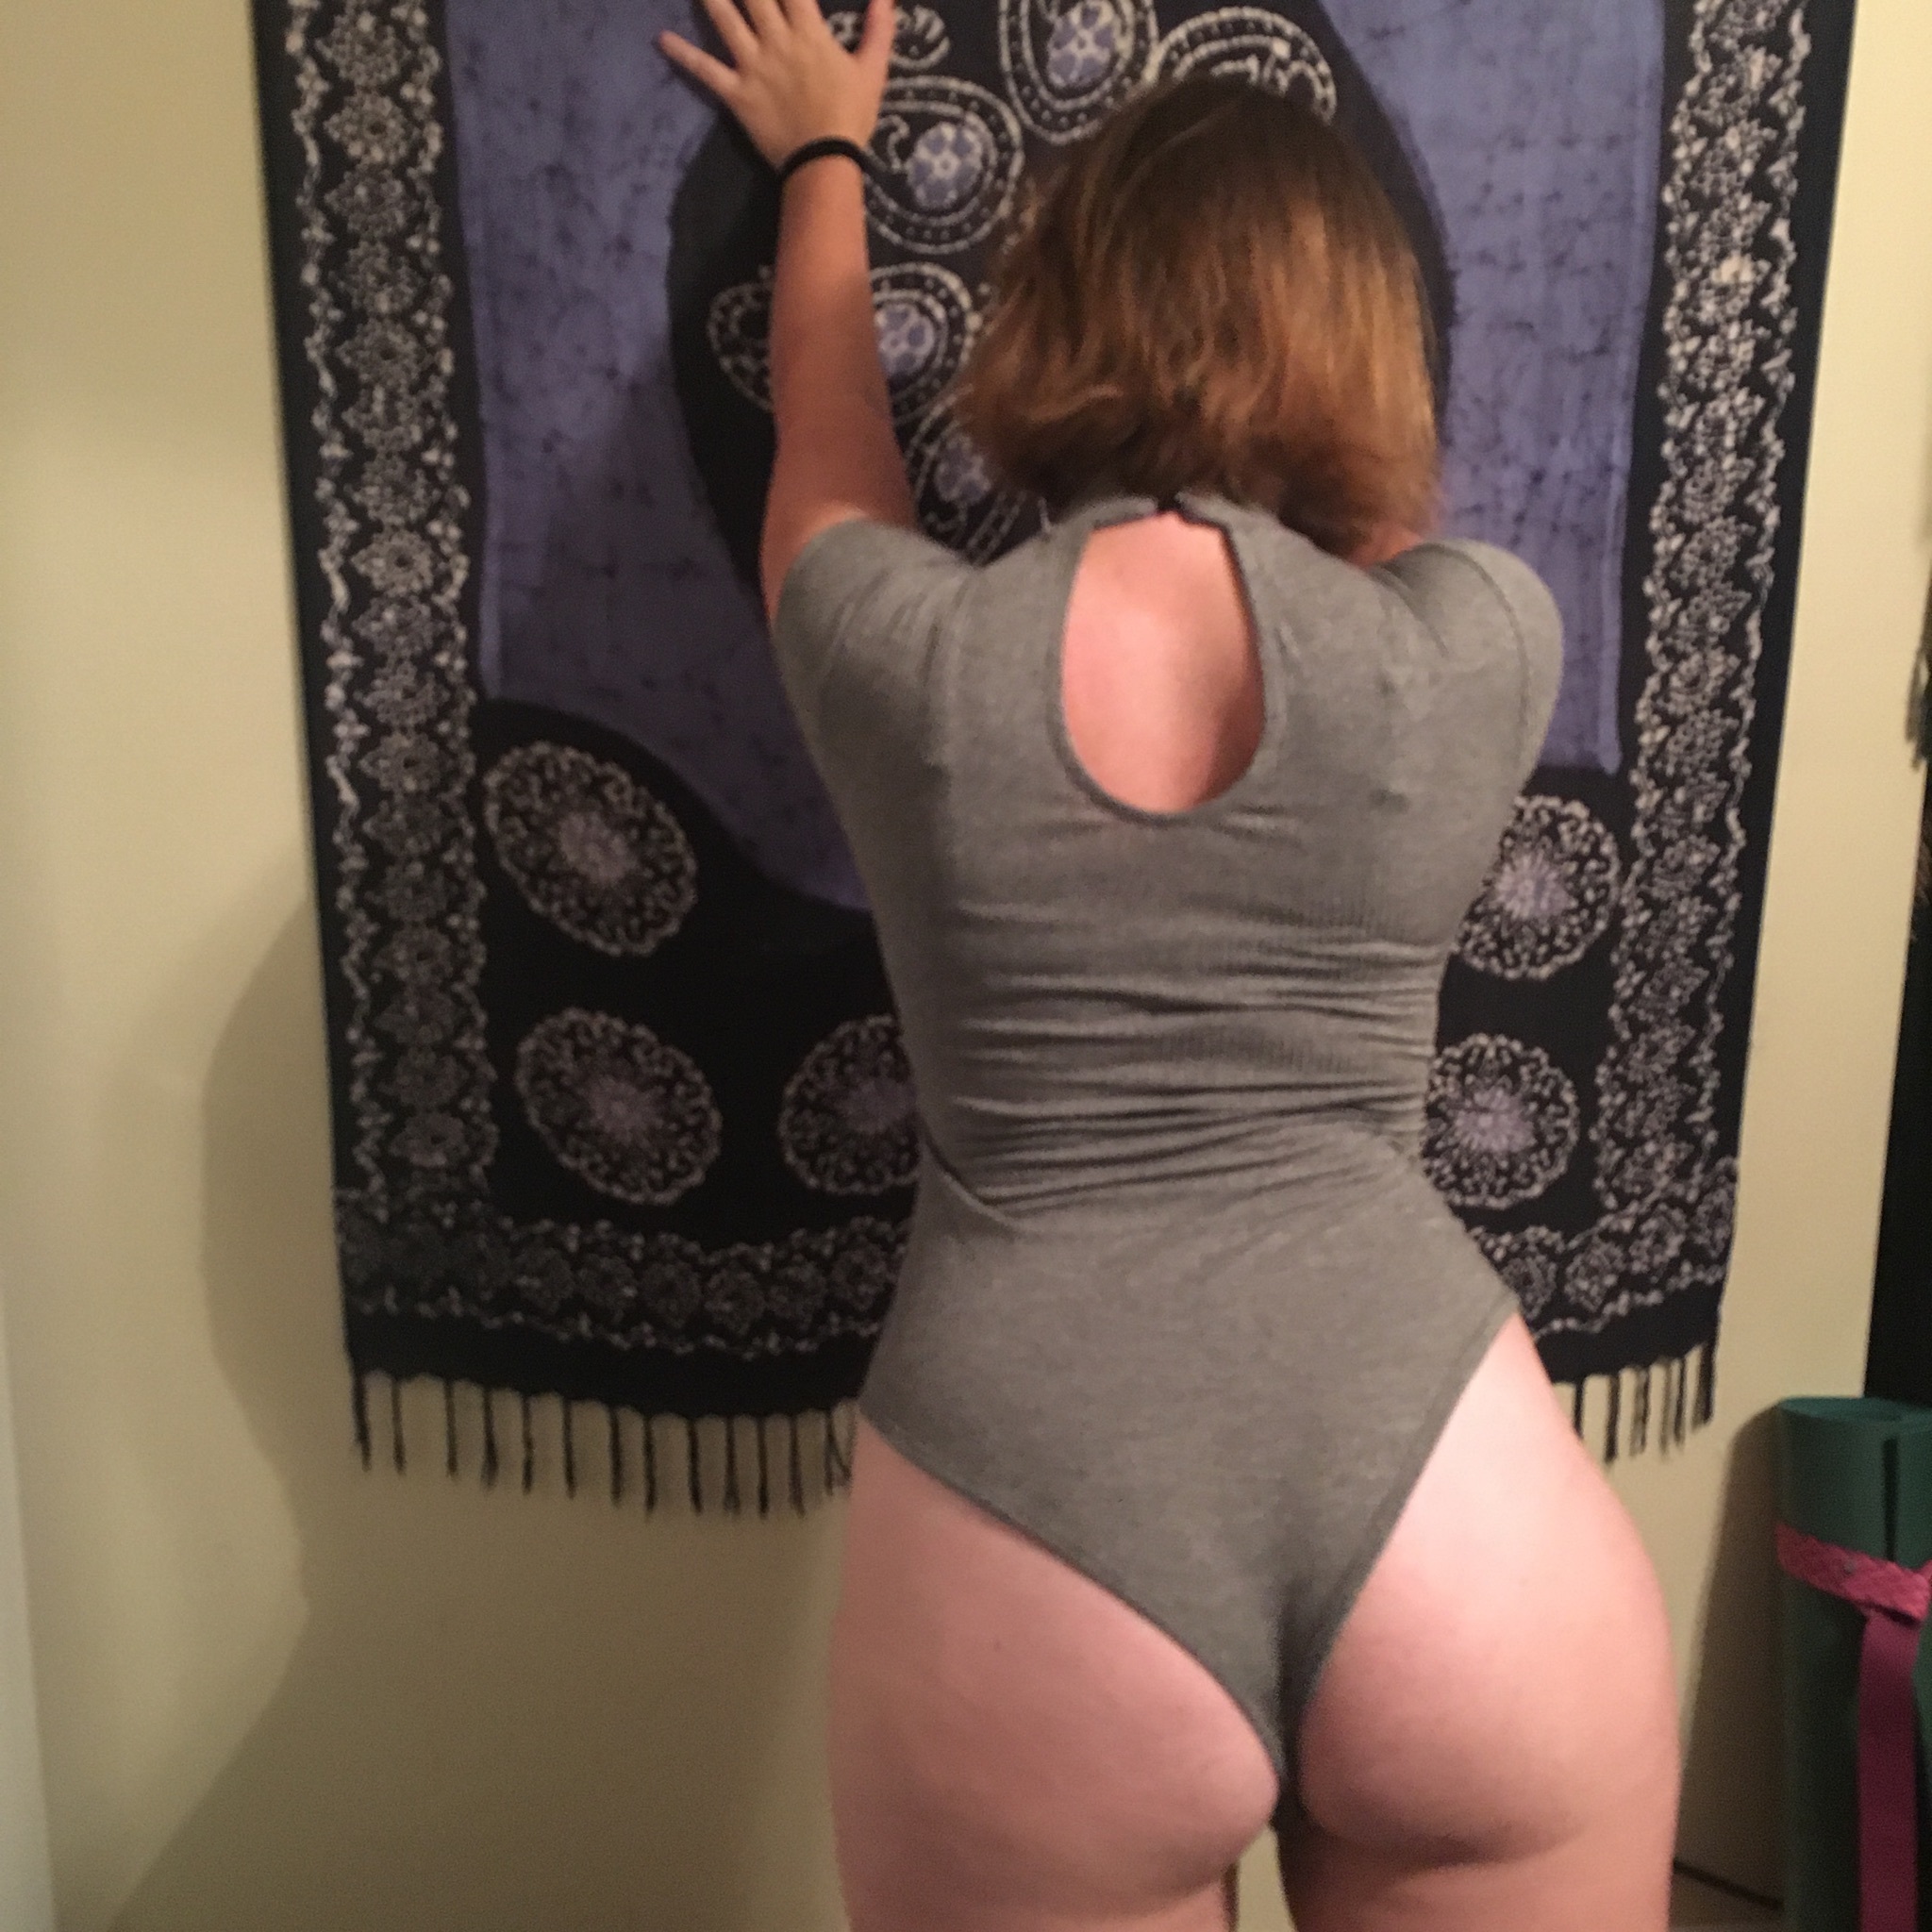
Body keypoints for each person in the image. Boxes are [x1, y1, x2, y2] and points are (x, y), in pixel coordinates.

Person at [658, 4, 1681, 1928]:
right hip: (1451, 1506)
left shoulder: (894, 651)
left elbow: (827, 436)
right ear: (1372, 350)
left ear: (1042, 316)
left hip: (1034, 1513)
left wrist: (822, 162)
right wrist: (1310, 417)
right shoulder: (1480, 641)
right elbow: (1376, 536)